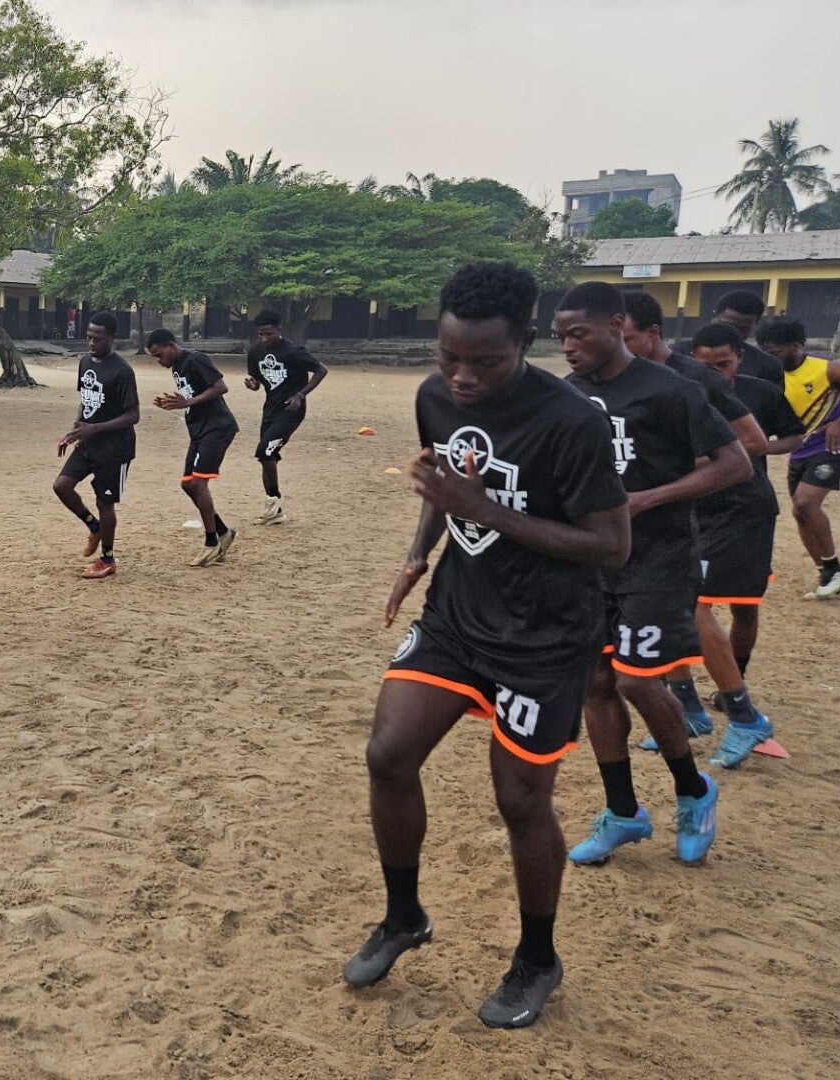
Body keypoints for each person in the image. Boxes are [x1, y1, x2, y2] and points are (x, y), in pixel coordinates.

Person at [345, 261, 630, 1029]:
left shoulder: (572, 421)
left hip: (546, 637)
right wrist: (417, 554)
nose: (463, 378)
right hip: (456, 618)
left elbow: (610, 545)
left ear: (527, 342)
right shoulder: (434, 396)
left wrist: (485, 509)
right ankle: (403, 917)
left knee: (520, 800)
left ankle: (537, 959)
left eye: (485, 362)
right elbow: (446, 484)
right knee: (388, 754)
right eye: (449, 358)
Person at [557, 282, 749, 867]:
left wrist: (648, 498)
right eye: (559, 337)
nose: (567, 347)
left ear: (617, 326)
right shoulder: (567, 395)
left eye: (577, 334)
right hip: (591, 563)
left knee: (638, 682)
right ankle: (623, 812)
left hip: (659, 559)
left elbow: (735, 463)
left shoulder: (670, 389)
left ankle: (694, 791)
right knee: (594, 684)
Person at [619, 290, 765, 740]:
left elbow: (752, 443)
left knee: (692, 607)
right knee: (668, 607)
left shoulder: (693, 377)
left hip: (729, 509)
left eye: (625, 337)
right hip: (673, 510)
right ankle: (689, 707)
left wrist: (666, 473)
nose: (615, 347)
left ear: (652, 333)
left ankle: (745, 717)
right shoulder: (618, 380)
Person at [689, 324, 805, 766]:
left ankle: (732, 685)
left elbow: (794, 435)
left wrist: (758, 450)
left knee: (744, 606)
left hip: (746, 510)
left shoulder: (761, 393)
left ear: (740, 357)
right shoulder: (681, 393)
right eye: (706, 365)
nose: (715, 372)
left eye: (723, 363)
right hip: (694, 510)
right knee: (691, 602)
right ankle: (695, 704)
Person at [759, 316, 840, 599]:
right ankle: (828, 572)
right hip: (802, 447)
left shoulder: (827, 368)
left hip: (836, 445)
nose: (770, 357)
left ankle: (834, 569)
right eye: (765, 351)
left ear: (796, 345)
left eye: (775, 351)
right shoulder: (770, 376)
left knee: (805, 501)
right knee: (799, 512)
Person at [55, 312, 140, 579]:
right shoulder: (84, 362)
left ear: (112, 338)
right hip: (88, 442)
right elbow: (86, 399)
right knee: (61, 486)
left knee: (105, 502)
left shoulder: (122, 371)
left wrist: (95, 428)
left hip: (115, 448)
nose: (92, 343)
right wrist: (74, 431)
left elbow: (133, 415)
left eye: (98, 339)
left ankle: (107, 559)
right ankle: (94, 527)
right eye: (89, 337)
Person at [146, 328, 241, 566]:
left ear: (171, 345)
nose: (159, 361)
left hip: (217, 427)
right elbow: (191, 394)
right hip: (199, 430)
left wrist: (187, 402)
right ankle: (223, 532)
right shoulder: (177, 366)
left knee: (198, 483)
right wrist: (173, 403)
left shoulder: (196, 359)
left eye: (159, 355)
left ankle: (212, 543)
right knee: (187, 484)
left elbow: (220, 387)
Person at [243, 310, 327, 525]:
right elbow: (257, 380)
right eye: (261, 334)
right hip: (270, 409)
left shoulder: (293, 351)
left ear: (279, 330)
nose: (264, 339)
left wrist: (301, 395)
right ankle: (275, 510)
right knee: (266, 456)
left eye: (269, 334)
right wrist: (253, 384)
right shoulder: (255, 351)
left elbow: (321, 370)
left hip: (291, 410)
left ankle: (274, 501)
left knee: (265, 450)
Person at [671, 290, 786, 386]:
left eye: (743, 329)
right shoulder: (676, 354)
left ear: (755, 325)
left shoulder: (767, 366)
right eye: (727, 325)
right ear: (714, 316)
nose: (733, 332)